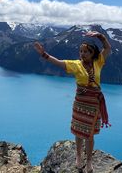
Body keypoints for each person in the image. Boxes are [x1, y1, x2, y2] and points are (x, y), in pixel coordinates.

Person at [34, 31, 112, 173]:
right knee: (78, 131)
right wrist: (43, 54)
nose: (82, 54)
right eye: (80, 51)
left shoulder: (98, 62)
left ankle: (88, 160)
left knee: (89, 135)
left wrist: (101, 37)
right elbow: (58, 62)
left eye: (85, 52)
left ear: (92, 53)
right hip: (81, 103)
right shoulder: (76, 65)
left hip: (94, 104)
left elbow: (108, 49)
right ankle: (78, 155)